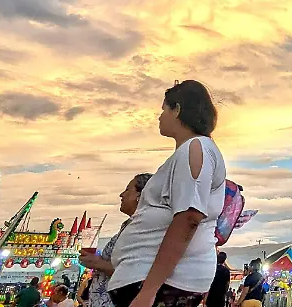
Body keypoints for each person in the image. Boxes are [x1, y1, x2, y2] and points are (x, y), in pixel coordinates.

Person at [108, 80, 228, 307]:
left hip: (162, 286)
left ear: (178, 109)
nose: (159, 116)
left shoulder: (196, 148)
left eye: (163, 109)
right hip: (153, 282)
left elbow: (189, 217)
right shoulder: (190, 150)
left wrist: (149, 291)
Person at [79, 173, 154, 307]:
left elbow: (136, 272)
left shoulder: (144, 229)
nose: (121, 194)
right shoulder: (130, 225)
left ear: (140, 196)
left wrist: (98, 263)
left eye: (127, 190)